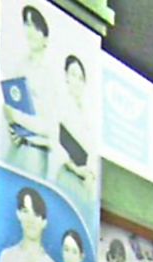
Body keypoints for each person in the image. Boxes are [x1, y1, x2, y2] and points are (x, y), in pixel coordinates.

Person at [1, 5, 55, 178]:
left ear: (45, 37)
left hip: (36, 153)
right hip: (17, 148)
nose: (30, 31)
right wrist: (13, 128)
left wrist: (16, 117)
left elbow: (50, 127)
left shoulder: (50, 73)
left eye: (36, 27)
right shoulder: (21, 65)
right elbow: (11, 103)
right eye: (27, 24)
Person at [53, 55, 97, 225]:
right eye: (73, 75)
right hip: (68, 173)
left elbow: (93, 152)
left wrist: (90, 174)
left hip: (86, 182)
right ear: (66, 77)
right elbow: (55, 140)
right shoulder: (60, 106)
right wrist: (75, 168)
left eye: (80, 77)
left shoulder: (89, 114)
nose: (77, 81)